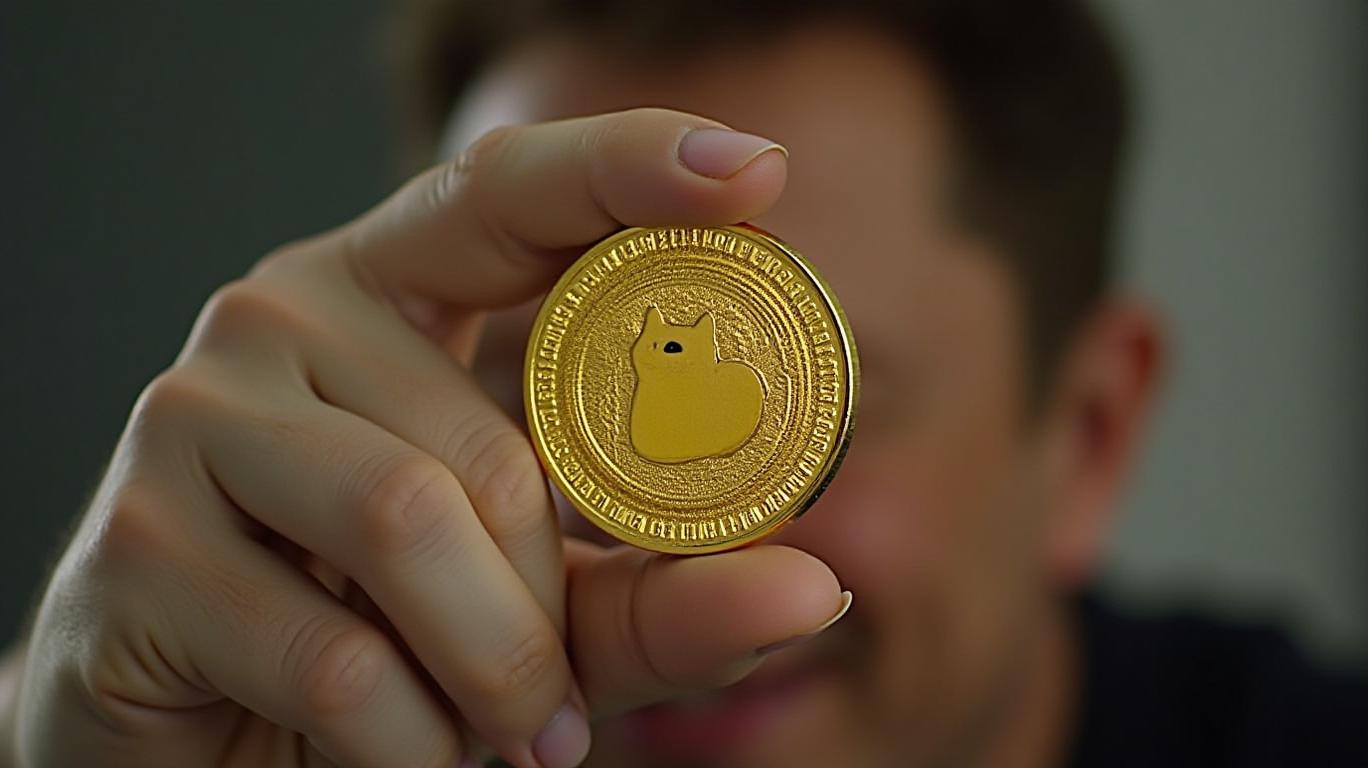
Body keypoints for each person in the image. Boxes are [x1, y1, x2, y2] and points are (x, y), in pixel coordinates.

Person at [1, 1, 1364, 766]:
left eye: (823, 412)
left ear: (1088, 437)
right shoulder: (304, 726)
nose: (659, 534)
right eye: (533, 392)